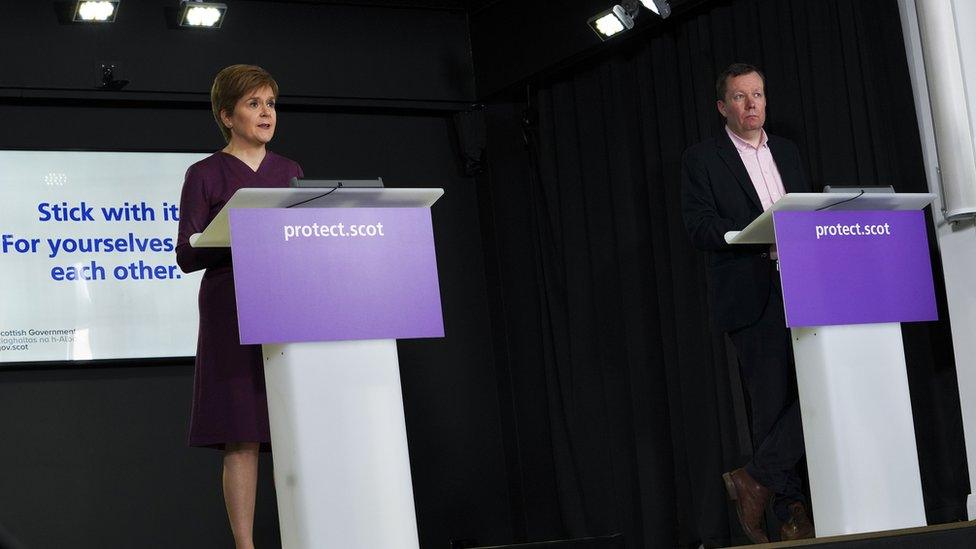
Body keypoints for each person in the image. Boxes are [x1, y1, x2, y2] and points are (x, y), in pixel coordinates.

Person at [680, 63, 815, 544]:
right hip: (752, 292)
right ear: (723, 106)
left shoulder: (789, 151)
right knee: (772, 406)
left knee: (820, 390)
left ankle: (754, 478)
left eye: (758, 94)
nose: (752, 104)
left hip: (809, 284)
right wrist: (742, 235)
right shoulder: (703, 159)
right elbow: (698, 226)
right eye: (740, 97)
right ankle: (790, 514)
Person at [176, 64, 303, 549]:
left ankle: (303, 531)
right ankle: (245, 546)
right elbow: (186, 254)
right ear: (227, 115)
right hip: (230, 306)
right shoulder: (205, 173)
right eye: (254, 104)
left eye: (270, 103)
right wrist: (237, 231)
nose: (266, 112)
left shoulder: (290, 171)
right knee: (243, 433)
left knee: (293, 426)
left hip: (286, 302)